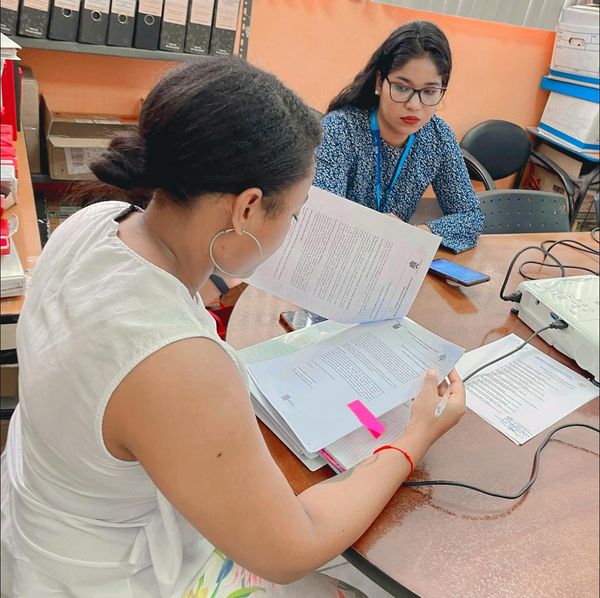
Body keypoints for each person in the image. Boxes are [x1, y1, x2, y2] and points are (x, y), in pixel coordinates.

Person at [1, 57, 466, 597]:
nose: (292, 229)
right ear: (247, 208)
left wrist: (222, 276)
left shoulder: (92, 223)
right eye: (294, 214)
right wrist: (416, 436)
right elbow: (294, 547)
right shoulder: (178, 364)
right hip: (101, 579)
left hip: (34, 530)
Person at [314, 21, 484, 254]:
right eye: (402, 88)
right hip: (337, 257)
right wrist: (383, 232)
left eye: (429, 92)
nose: (414, 105)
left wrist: (417, 234)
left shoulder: (438, 136)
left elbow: (470, 216)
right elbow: (320, 218)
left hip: (393, 259)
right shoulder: (340, 130)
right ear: (379, 82)